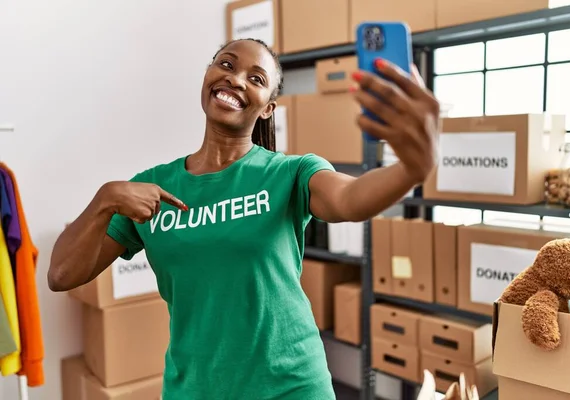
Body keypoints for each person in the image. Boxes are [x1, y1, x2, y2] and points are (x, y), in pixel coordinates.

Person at [48, 38, 440, 399]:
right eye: (225, 64)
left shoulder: (291, 173)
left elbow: (351, 200)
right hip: (195, 389)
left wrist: (410, 169)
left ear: (268, 106)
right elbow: (62, 275)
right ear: (207, 76)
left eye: (255, 78)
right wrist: (105, 199)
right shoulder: (151, 187)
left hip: (291, 385)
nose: (234, 79)